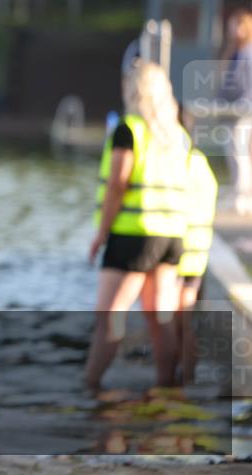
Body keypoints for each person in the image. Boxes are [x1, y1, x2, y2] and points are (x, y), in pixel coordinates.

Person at [85, 60, 190, 390]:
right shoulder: (177, 135)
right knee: (160, 316)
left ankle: (90, 387)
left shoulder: (128, 129)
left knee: (109, 317)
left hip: (133, 234)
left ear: (133, 90)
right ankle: (167, 387)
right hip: (171, 235)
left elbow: (118, 183)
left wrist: (101, 234)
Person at [174, 145, 218, 384]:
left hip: (178, 251)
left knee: (175, 319)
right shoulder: (200, 162)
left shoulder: (175, 160)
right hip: (198, 252)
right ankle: (187, 377)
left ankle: (175, 379)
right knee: (186, 319)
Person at [218, 10, 252, 214]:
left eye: (238, 26)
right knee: (234, 151)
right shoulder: (234, 52)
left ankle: (243, 196)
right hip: (231, 111)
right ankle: (240, 192)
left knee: (240, 152)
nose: (234, 31)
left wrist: (242, 105)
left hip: (243, 112)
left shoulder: (248, 53)